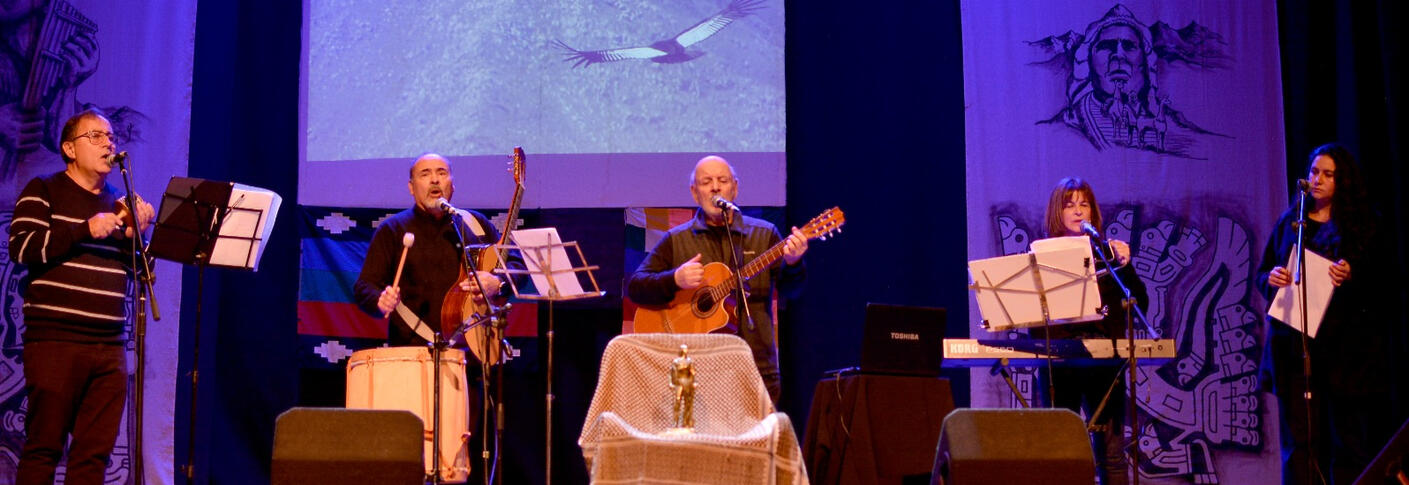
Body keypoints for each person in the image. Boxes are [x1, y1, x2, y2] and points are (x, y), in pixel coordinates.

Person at [7, 109, 154, 485]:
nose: (109, 143)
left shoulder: (120, 205)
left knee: (94, 456)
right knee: (44, 447)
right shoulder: (44, 189)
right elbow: (22, 248)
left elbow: (144, 275)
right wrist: (83, 229)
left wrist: (140, 232)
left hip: (108, 347)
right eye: (97, 136)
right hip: (56, 341)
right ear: (69, 148)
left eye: (111, 137)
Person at [626, 155, 807, 403]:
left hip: (755, 367)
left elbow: (792, 291)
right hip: (695, 372)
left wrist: (794, 263)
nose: (715, 187)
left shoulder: (764, 235)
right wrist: (674, 279)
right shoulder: (677, 239)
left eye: (722, 180)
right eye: (706, 181)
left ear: (735, 188)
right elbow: (636, 287)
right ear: (694, 193)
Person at [1256, 143, 1387, 485]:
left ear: (1343, 181)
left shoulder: (1360, 225)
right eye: (1314, 172)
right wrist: (1272, 278)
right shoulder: (1291, 222)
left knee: (1347, 442)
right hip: (1295, 348)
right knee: (1299, 444)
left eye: (1328, 175)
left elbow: (1383, 281)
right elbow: (1261, 274)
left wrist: (1352, 273)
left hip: (1344, 352)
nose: (1318, 180)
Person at [1033, 177, 1149, 485]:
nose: (1077, 211)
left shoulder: (1107, 254)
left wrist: (1126, 264)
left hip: (1105, 362)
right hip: (1059, 363)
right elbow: (1033, 325)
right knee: (1061, 454)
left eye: (1084, 204)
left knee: (1111, 453)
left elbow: (1140, 303)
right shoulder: (1041, 257)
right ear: (1056, 211)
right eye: (1069, 204)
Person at [354, 152, 521, 348]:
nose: (434, 180)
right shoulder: (393, 229)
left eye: (441, 173)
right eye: (425, 174)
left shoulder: (475, 224)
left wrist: (498, 283)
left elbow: (516, 264)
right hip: (412, 352)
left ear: (453, 184)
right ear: (411, 188)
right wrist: (380, 300)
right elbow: (364, 287)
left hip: (473, 350)